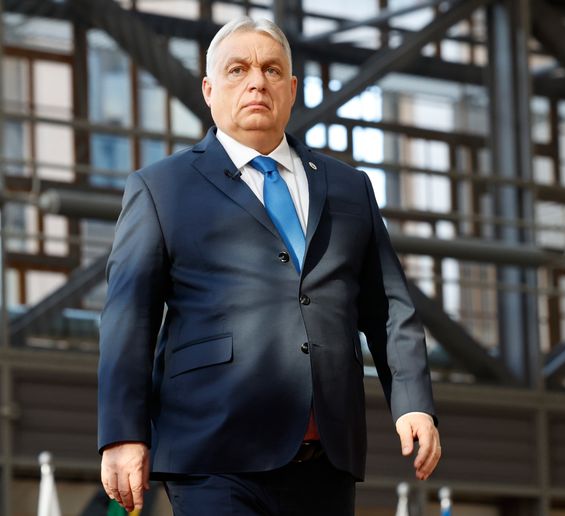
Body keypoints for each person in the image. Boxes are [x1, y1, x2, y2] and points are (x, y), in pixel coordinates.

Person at [97, 16, 440, 515]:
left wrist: (412, 401)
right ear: (209, 90)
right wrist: (123, 435)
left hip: (326, 458)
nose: (258, 80)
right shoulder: (161, 188)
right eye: (238, 70)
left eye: (272, 70)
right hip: (213, 454)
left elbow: (389, 307)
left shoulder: (349, 188)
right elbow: (130, 317)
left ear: (293, 89)